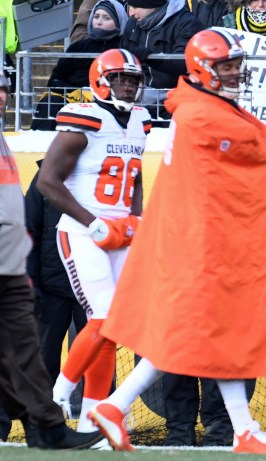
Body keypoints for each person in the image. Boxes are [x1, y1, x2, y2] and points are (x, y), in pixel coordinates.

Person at [85, 28, 266, 454]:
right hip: (202, 243)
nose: (236, 74)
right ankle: (113, 405)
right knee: (198, 335)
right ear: (204, 69)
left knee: (207, 335)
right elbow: (250, 147)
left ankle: (237, 428)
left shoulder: (198, 107)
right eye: (228, 67)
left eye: (238, 65)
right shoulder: (204, 115)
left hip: (197, 239)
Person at [36, 48, 149, 442]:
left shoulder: (140, 121)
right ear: (101, 79)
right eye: (121, 77)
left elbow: (133, 180)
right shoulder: (83, 119)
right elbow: (46, 182)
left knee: (112, 326)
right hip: (82, 231)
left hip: (120, 233)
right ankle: (55, 398)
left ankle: (91, 422)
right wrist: (94, 221)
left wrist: (136, 218)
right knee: (103, 316)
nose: (129, 85)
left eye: (134, 79)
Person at [0, 74, 104, 450]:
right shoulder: (48, 175)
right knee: (29, 356)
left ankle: (60, 423)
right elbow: (29, 222)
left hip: (34, 274)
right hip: (44, 282)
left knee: (32, 356)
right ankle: (43, 423)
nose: (1, 98)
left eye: (4, 91)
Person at [25, 161, 88, 383]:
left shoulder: (106, 172)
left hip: (92, 289)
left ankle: (99, 415)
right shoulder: (46, 175)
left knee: (97, 359)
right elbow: (28, 231)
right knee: (42, 360)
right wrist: (31, 281)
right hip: (50, 289)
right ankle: (40, 417)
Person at [32, 0, 128, 130]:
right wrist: (75, 92)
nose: (99, 21)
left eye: (106, 18)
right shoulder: (78, 46)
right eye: (96, 16)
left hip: (108, 100)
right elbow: (56, 79)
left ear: (118, 22)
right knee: (50, 102)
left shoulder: (124, 49)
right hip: (73, 98)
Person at [121, 0, 203, 121]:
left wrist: (153, 58)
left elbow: (185, 63)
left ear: (152, 6)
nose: (130, 12)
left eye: (136, 7)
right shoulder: (133, 23)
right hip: (137, 97)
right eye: (129, 6)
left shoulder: (186, 23)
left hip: (176, 99)